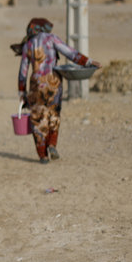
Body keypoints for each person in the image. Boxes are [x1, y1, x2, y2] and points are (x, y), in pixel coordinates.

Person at [16, 17, 101, 163]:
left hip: (36, 85)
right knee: (53, 114)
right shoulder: (52, 39)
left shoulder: (27, 45)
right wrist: (88, 62)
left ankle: (42, 155)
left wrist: (22, 93)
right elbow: (71, 53)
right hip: (53, 82)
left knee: (38, 119)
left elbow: (22, 72)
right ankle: (52, 144)